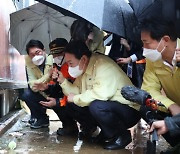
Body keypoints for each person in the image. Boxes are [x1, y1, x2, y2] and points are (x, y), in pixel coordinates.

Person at [52, 40, 141, 150]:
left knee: (97, 106)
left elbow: (100, 95)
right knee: (72, 104)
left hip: (129, 110)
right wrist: (62, 81)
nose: (69, 67)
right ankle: (105, 132)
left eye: (70, 63)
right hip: (110, 106)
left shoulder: (103, 65)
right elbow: (76, 91)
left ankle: (121, 136)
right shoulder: (84, 66)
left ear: (83, 59)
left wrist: (75, 98)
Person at [140, 18, 180, 146]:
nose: (144, 49)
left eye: (146, 43)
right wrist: (171, 105)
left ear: (165, 40)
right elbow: (149, 89)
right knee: (146, 106)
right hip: (175, 109)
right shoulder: (153, 59)